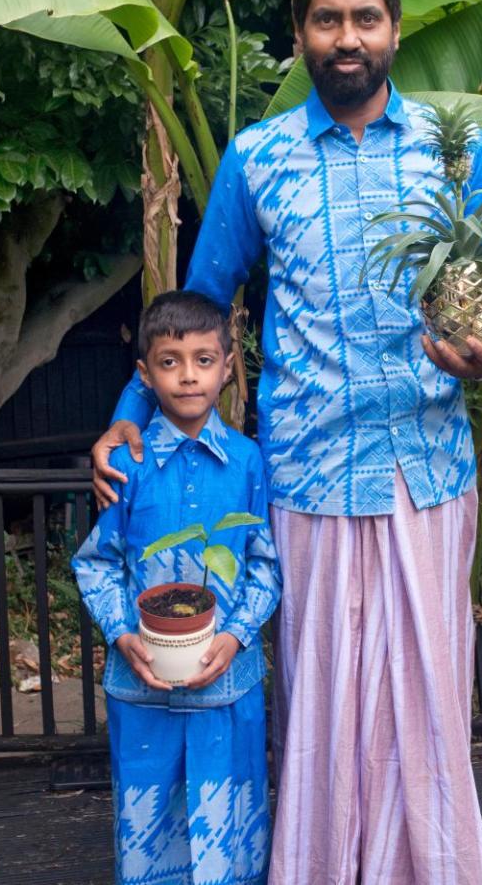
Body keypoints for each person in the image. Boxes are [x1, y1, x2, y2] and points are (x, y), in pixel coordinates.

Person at [93, 0, 482, 885]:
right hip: (310, 473)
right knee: (325, 703)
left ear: (395, 30)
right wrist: (132, 414)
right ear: (300, 36)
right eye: (327, 21)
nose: (348, 38)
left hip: (428, 467)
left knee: (430, 701)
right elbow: (202, 302)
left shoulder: (456, 152)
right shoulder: (260, 159)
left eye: (366, 19)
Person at [73, 290, 281, 885]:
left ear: (228, 363)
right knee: (147, 834)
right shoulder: (126, 466)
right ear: (145, 373)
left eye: (204, 360)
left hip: (228, 687)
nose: (188, 376)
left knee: (231, 837)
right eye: (170, 362)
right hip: (143, 689)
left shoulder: (247, 462)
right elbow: (97, 563)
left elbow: (266, 566)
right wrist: (120, 633)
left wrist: (237, 636)